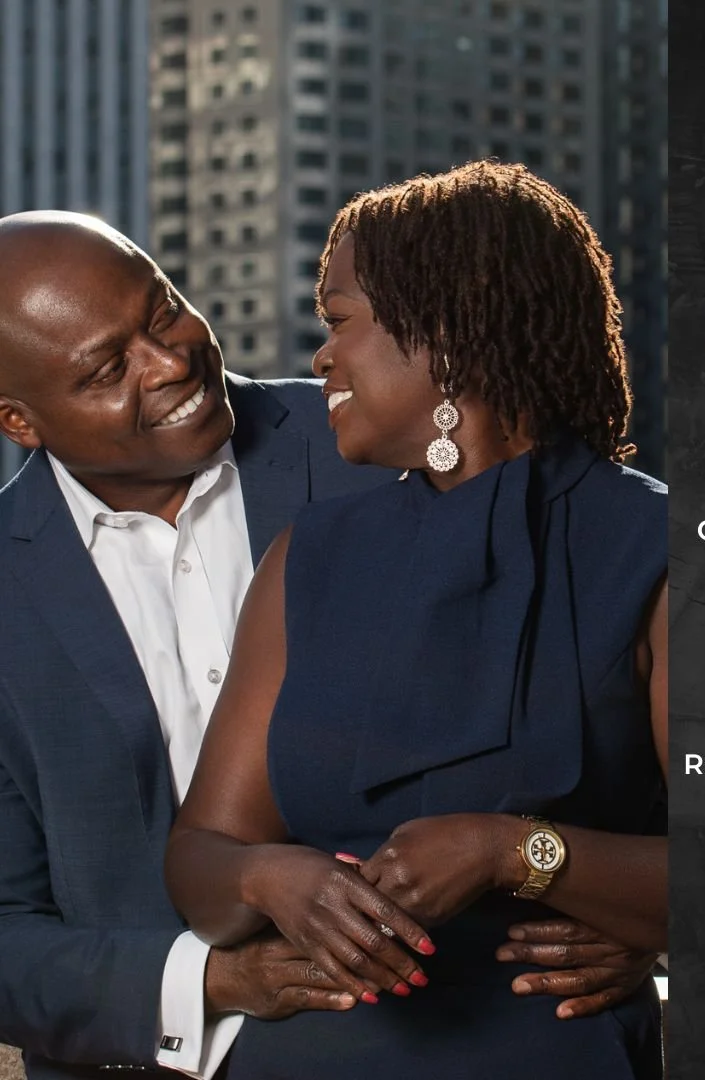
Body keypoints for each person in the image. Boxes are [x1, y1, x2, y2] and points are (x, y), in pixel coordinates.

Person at [0, 212, 656, 1080]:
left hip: (513, 1036)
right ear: (20, 419)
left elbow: (608, 716)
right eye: (109, 369)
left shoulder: (395, 431)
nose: (170, 362)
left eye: (161, 313)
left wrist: (638, 923)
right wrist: (214, 982)